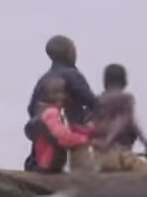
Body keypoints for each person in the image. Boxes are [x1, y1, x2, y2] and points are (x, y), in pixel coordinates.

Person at [25, 35, 97, 172]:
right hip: (72, 141)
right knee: (83, 167)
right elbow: (92, 103)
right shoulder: (72, 75)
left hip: (44, 146)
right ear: (69, 52)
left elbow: (31, 110)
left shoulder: (43, 80)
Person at [90, 64, 147, 173]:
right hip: (120, 154)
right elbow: (130, 122)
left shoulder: (97, 100)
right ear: (125, 82)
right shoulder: (126, 98)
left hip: (98, 156)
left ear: (104, 82)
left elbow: (90, 125)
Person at [25, 76, 92, 173]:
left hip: (44, 161)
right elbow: (63, 137)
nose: (60, 96)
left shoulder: (43, 112)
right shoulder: (51, 113)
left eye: (63, 92)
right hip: (49, 163)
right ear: (44, 96)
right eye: (54, 93)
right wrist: (83, 139)